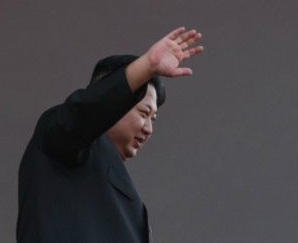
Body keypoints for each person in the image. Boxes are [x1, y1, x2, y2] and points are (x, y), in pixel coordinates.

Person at [16, 26, 204, 243]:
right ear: (114, 99)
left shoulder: (109, 174)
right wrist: (147, 65)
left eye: (153, 119)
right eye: (144, 113)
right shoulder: (62, 136)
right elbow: (86, 111)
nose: (148, 128)